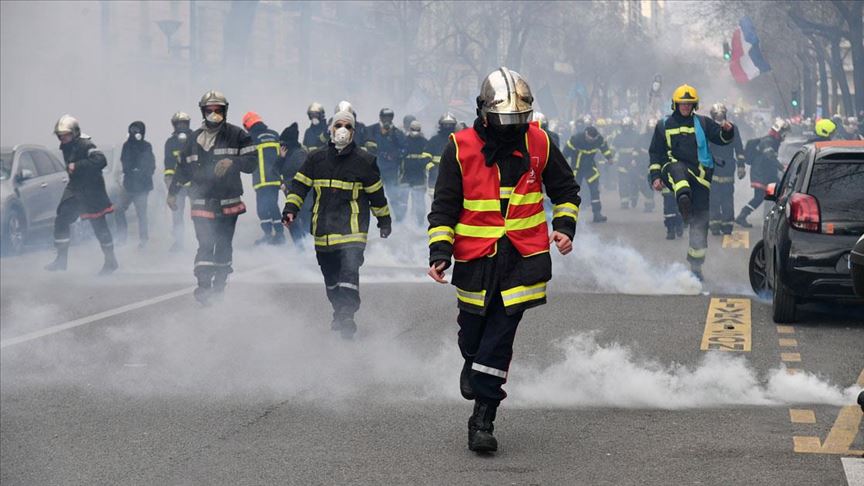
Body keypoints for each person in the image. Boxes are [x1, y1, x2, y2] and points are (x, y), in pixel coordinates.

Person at [427, 67, 580, 453]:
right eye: (505, 120)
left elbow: (566, 190)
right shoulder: (459, 147)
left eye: (519, 119)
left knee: (500, 336)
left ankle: (483, 419)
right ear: (483, 113)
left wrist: (564, 226)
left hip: (523, 257)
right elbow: (444, 206)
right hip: (475, 259)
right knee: (473, 332)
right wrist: (440, 251)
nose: (513, 127)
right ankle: (473, 361)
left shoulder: (540, 143)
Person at [282, 110, 392, 339]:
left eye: (348, 126)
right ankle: (338, 309)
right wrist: (290, 209)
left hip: (353, 230)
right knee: (331, 278)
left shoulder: (364, 161)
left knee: (349, 272)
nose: (342, 130)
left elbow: (377, 196)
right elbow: (299, 187)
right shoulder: (315, 159)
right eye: (338, 125)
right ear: (331, 129)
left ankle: (347, 314)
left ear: (354, 131)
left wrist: (384, 221)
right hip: (323, 231)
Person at [166, 90, 257, 305]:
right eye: (210, 110)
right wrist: (172, 193)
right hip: (201, 200)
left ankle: (219, 285)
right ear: (203, 111)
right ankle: (204, 286)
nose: (214, 114)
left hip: (229, 202)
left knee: (223, 243)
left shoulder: (238, 135)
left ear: (225, 111)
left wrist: (232, 162)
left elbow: (252, 161)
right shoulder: (192, 139)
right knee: (205, 243)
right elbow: (182, 168)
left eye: (218, 110)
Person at [648, 84, 735, 281]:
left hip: (701, 176)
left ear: (693, 105)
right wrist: (654, 177)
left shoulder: (703, 123)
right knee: (679, 172)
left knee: (701, 222)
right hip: (673, 170)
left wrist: (728, 131)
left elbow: (722, 138)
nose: (685, 107)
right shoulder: (663, 125)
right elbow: (655, 153)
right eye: (682, 104)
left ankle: (696, 266)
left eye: (689, 104)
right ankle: (684, 203)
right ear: (675, 104)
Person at [45, 115, 118, 274]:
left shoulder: (86, 144)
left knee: (99, 227)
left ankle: (111, 261)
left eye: (66, 134)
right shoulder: (66, 146)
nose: (63, 138)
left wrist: (77, 165)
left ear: (75, 133)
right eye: (60, 135)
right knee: (62, 219)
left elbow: (101, 160)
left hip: (92, 191)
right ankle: (61, 260)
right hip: (76, 189)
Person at [735, 118, 790, 228]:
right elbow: (769, 156)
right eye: (784, 132)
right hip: (761, 174)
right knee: (760, 197)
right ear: (779, 131)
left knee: (775, 194)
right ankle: (742, 216)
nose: (785, 135)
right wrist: (781, 167)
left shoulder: (773, 141)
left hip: (767, 174)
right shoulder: (768, 141)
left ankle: (771, 218)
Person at [243, 111, 286, 245]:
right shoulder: (274, 134)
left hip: (261, 180)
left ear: (247, 125)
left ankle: (270, 235)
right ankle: (279, 234)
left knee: (262, 208)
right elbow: (282, 155)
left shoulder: (251, 137)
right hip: (275, 179)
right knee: (273, 205)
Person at [115, 120, 155, 248]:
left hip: (142, 187)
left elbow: (150, 165)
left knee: (141, 214)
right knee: (118, 209)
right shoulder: (126, 146)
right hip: (129, 185)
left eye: (137, 130)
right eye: (132, 130)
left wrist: (141, 173)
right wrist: (130, 170)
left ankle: (144, 240)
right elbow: (124, 161)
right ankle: (122, 238)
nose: (134, 133)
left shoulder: (146, 146)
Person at [707, 103, 746, 235]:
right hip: (716, 168)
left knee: (724, 198)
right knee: (717, 199)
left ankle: (725, 225)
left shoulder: (731, 128)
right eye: (717, 115)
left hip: (724, 168)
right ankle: (717, 226)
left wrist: (741, 166)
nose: (719, 117)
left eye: (720, 115)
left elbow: (739, 148)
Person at [564, 123, 614, 222]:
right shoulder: (576, 139)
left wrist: (609, 158)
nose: (591, 141)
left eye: (593, 139)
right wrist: (561, 164)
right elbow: (565, 152)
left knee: (595, 191)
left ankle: (597, 214)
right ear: (586, 134)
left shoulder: (598, 139)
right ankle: (570, 216)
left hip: (590, 168)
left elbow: (604, 147)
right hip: (577, 168)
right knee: (573, 192)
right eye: (590, 139)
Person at [366, 108, 406, 220]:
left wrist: (395, 155)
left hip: (390, 170)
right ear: (380, 117)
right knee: (371, 194)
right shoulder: (372, 130)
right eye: (385, 117)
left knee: (393, 194)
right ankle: (371, 220)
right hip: (374, 168)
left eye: (389, 117)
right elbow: (366, 145)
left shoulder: (397, 133)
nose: (387, 119)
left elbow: (404, 149)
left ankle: (399, 219)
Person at [164, 112, 193, 252]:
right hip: (178, 185)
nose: (181, 126)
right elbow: (168, 165)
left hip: (196, 184)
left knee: (200, 213)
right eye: (178, 123)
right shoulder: (170, 142)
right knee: (177, 215)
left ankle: (203, 239)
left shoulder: (196, 138)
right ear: (174, 125)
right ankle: (179, 242)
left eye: (184, 123)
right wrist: (170, 186)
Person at [278, 123, 310, 248]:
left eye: (283, 143)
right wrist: (281, 158)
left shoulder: (299, 154)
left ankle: (309, 247)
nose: (281, 146)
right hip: (292, 195)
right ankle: (301, 248)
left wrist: (287, 184)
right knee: (291, 220)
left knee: (305, 220)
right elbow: (274, 170)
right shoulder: (285, 155)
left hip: (304, 195)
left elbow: (300, 176)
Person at [400, 120, 432, 227]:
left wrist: (421, 163)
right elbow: (399, 155)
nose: (415, 132)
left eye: (417, 130)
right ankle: (401, 220)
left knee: (419, 200)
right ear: (410, 129)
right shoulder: (404, 141)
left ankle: (420, 221)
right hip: (405, 174)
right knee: (403, 199)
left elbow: (428, 157)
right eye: (413, 130)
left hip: (419, 175)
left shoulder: (424, 142)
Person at [424, 112, 458, 193]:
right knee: (435, 197)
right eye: (445, 125)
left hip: (454, 175)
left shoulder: (458, 139)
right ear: (441, 125)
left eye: (450, 125)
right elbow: (425, 157)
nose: (448, 127)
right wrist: (432, 168)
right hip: (436, 176)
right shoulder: (434, 140)